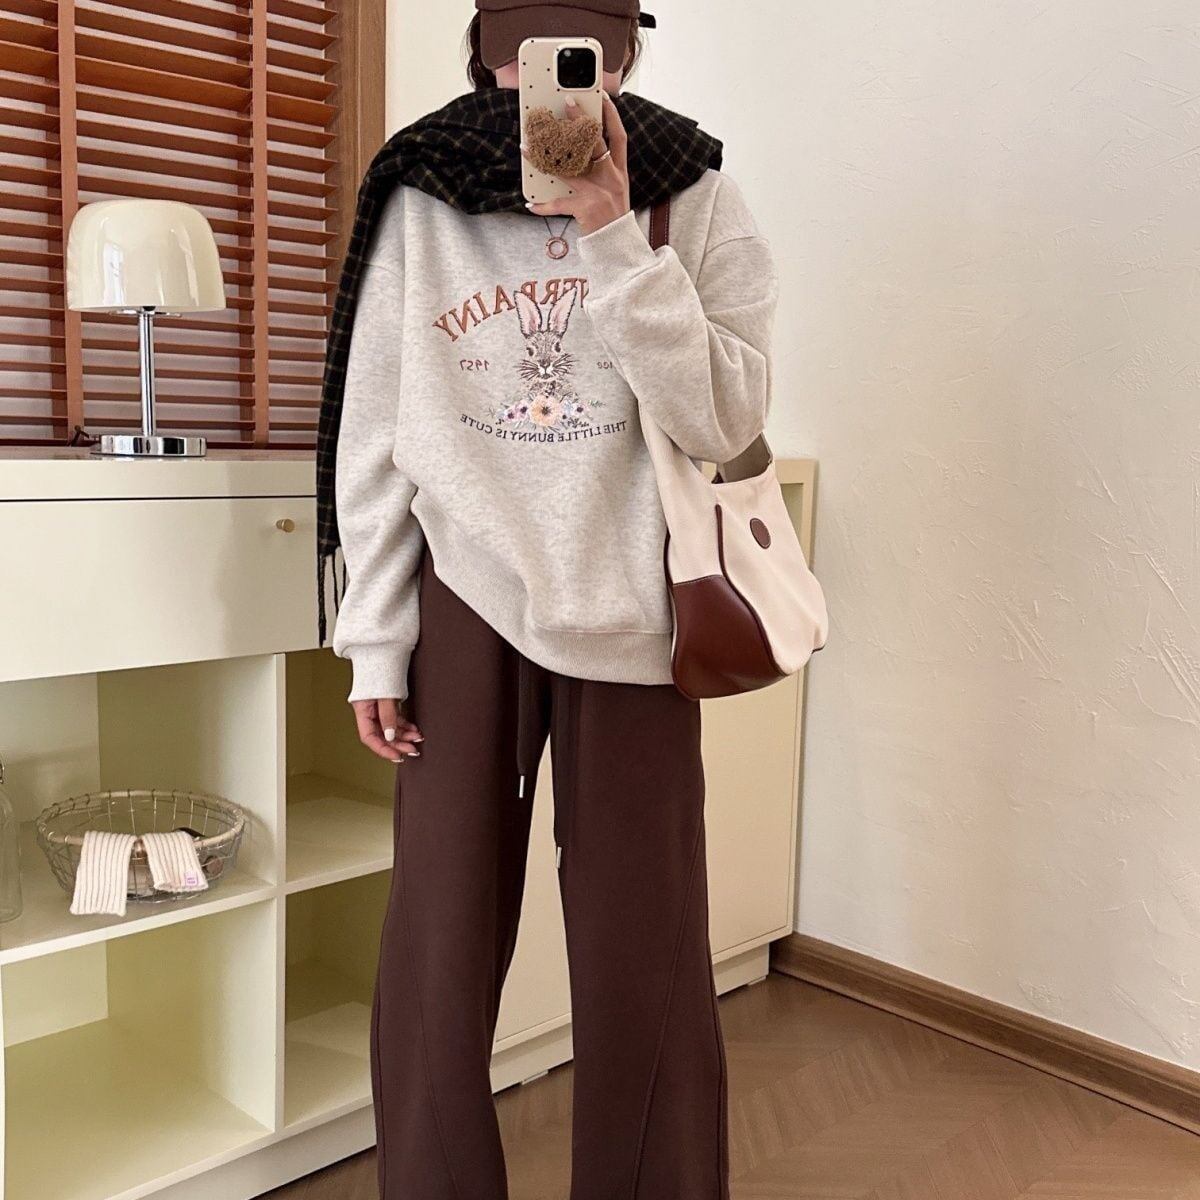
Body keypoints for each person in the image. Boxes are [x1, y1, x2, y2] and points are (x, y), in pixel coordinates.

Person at [315, 1, 779, 1195]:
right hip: (463, 593)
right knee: (439, 939)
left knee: (647, 946)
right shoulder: (419, 187)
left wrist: (616, 233)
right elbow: (374, 429)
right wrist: (374, 640)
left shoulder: (695, 190)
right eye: (527, 48)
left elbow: (726, 420)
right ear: (487, 53)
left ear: (625, 54)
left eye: (581, 50)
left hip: (636, 603)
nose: (551, 79)